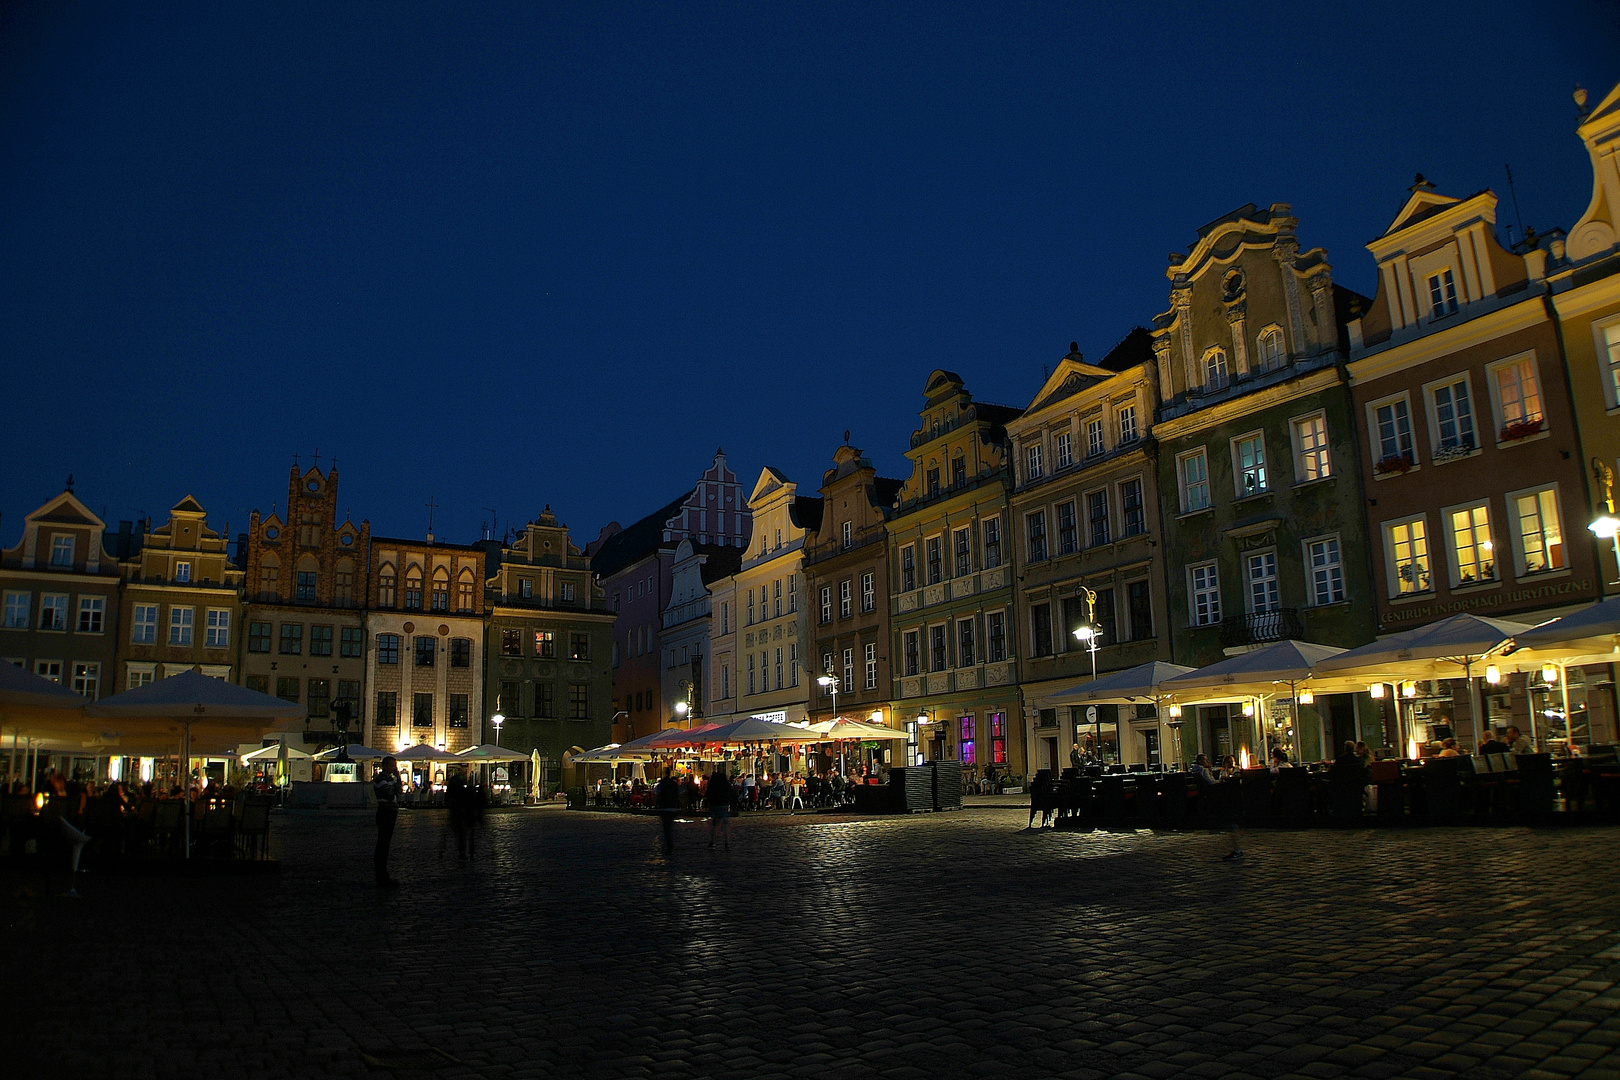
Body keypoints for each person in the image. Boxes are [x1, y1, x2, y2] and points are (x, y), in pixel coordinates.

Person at [372, 757, 402, 887]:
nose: (394, 767)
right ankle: (381, 874)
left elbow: (398, 792)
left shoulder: (390, 778)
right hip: (385, 811)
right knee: (383, 843)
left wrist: (397, 780)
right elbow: (389, 795)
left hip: (391, 811)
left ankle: (382, 873)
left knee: (385, 842)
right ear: (384, 765)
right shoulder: (380, 778)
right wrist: (394, 788)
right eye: (391, 765)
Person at [704, 768, 736, 850]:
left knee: (715, 823)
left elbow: (708, 795)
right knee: (725, 824)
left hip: (714, 805)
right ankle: (727, 842)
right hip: (724, 805)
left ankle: (713, 841)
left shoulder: (712, 786)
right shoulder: (726, 786)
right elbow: (732, 795)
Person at [653, 767, 681, 854]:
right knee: (670, 825)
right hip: (672, 807)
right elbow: (677, 794)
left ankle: (668, 842)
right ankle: (670, 841)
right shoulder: (674, 784)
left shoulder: (661, 784)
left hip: (664, 807)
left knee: (666, 826)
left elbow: (657, 793)